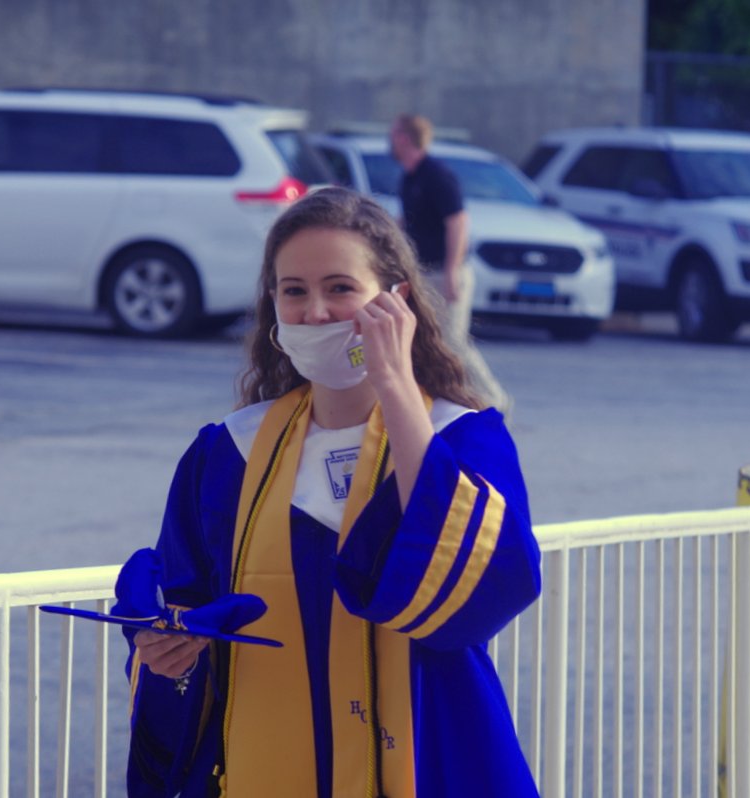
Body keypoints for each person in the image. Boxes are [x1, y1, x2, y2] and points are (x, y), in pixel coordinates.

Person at [122, 187, 542, 797]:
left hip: (429, 755)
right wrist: (170, 649)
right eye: (293, 290)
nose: (316, 312)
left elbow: (482, 599)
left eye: (340, 287)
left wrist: (396, 384)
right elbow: (187, 600)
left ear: (396, 300)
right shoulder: (228, 454)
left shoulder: (463, 439)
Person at [389, 113, 511, 412]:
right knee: (426, 341)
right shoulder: (410, 177)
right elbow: (410, 222)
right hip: (423, 274)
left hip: (445, 272)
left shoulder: (436, 175)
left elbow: (458, 222)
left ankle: (494, 402)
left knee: (453, 342)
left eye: (393, 135)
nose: (389, 142)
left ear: (404, 138)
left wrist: (452, 271)